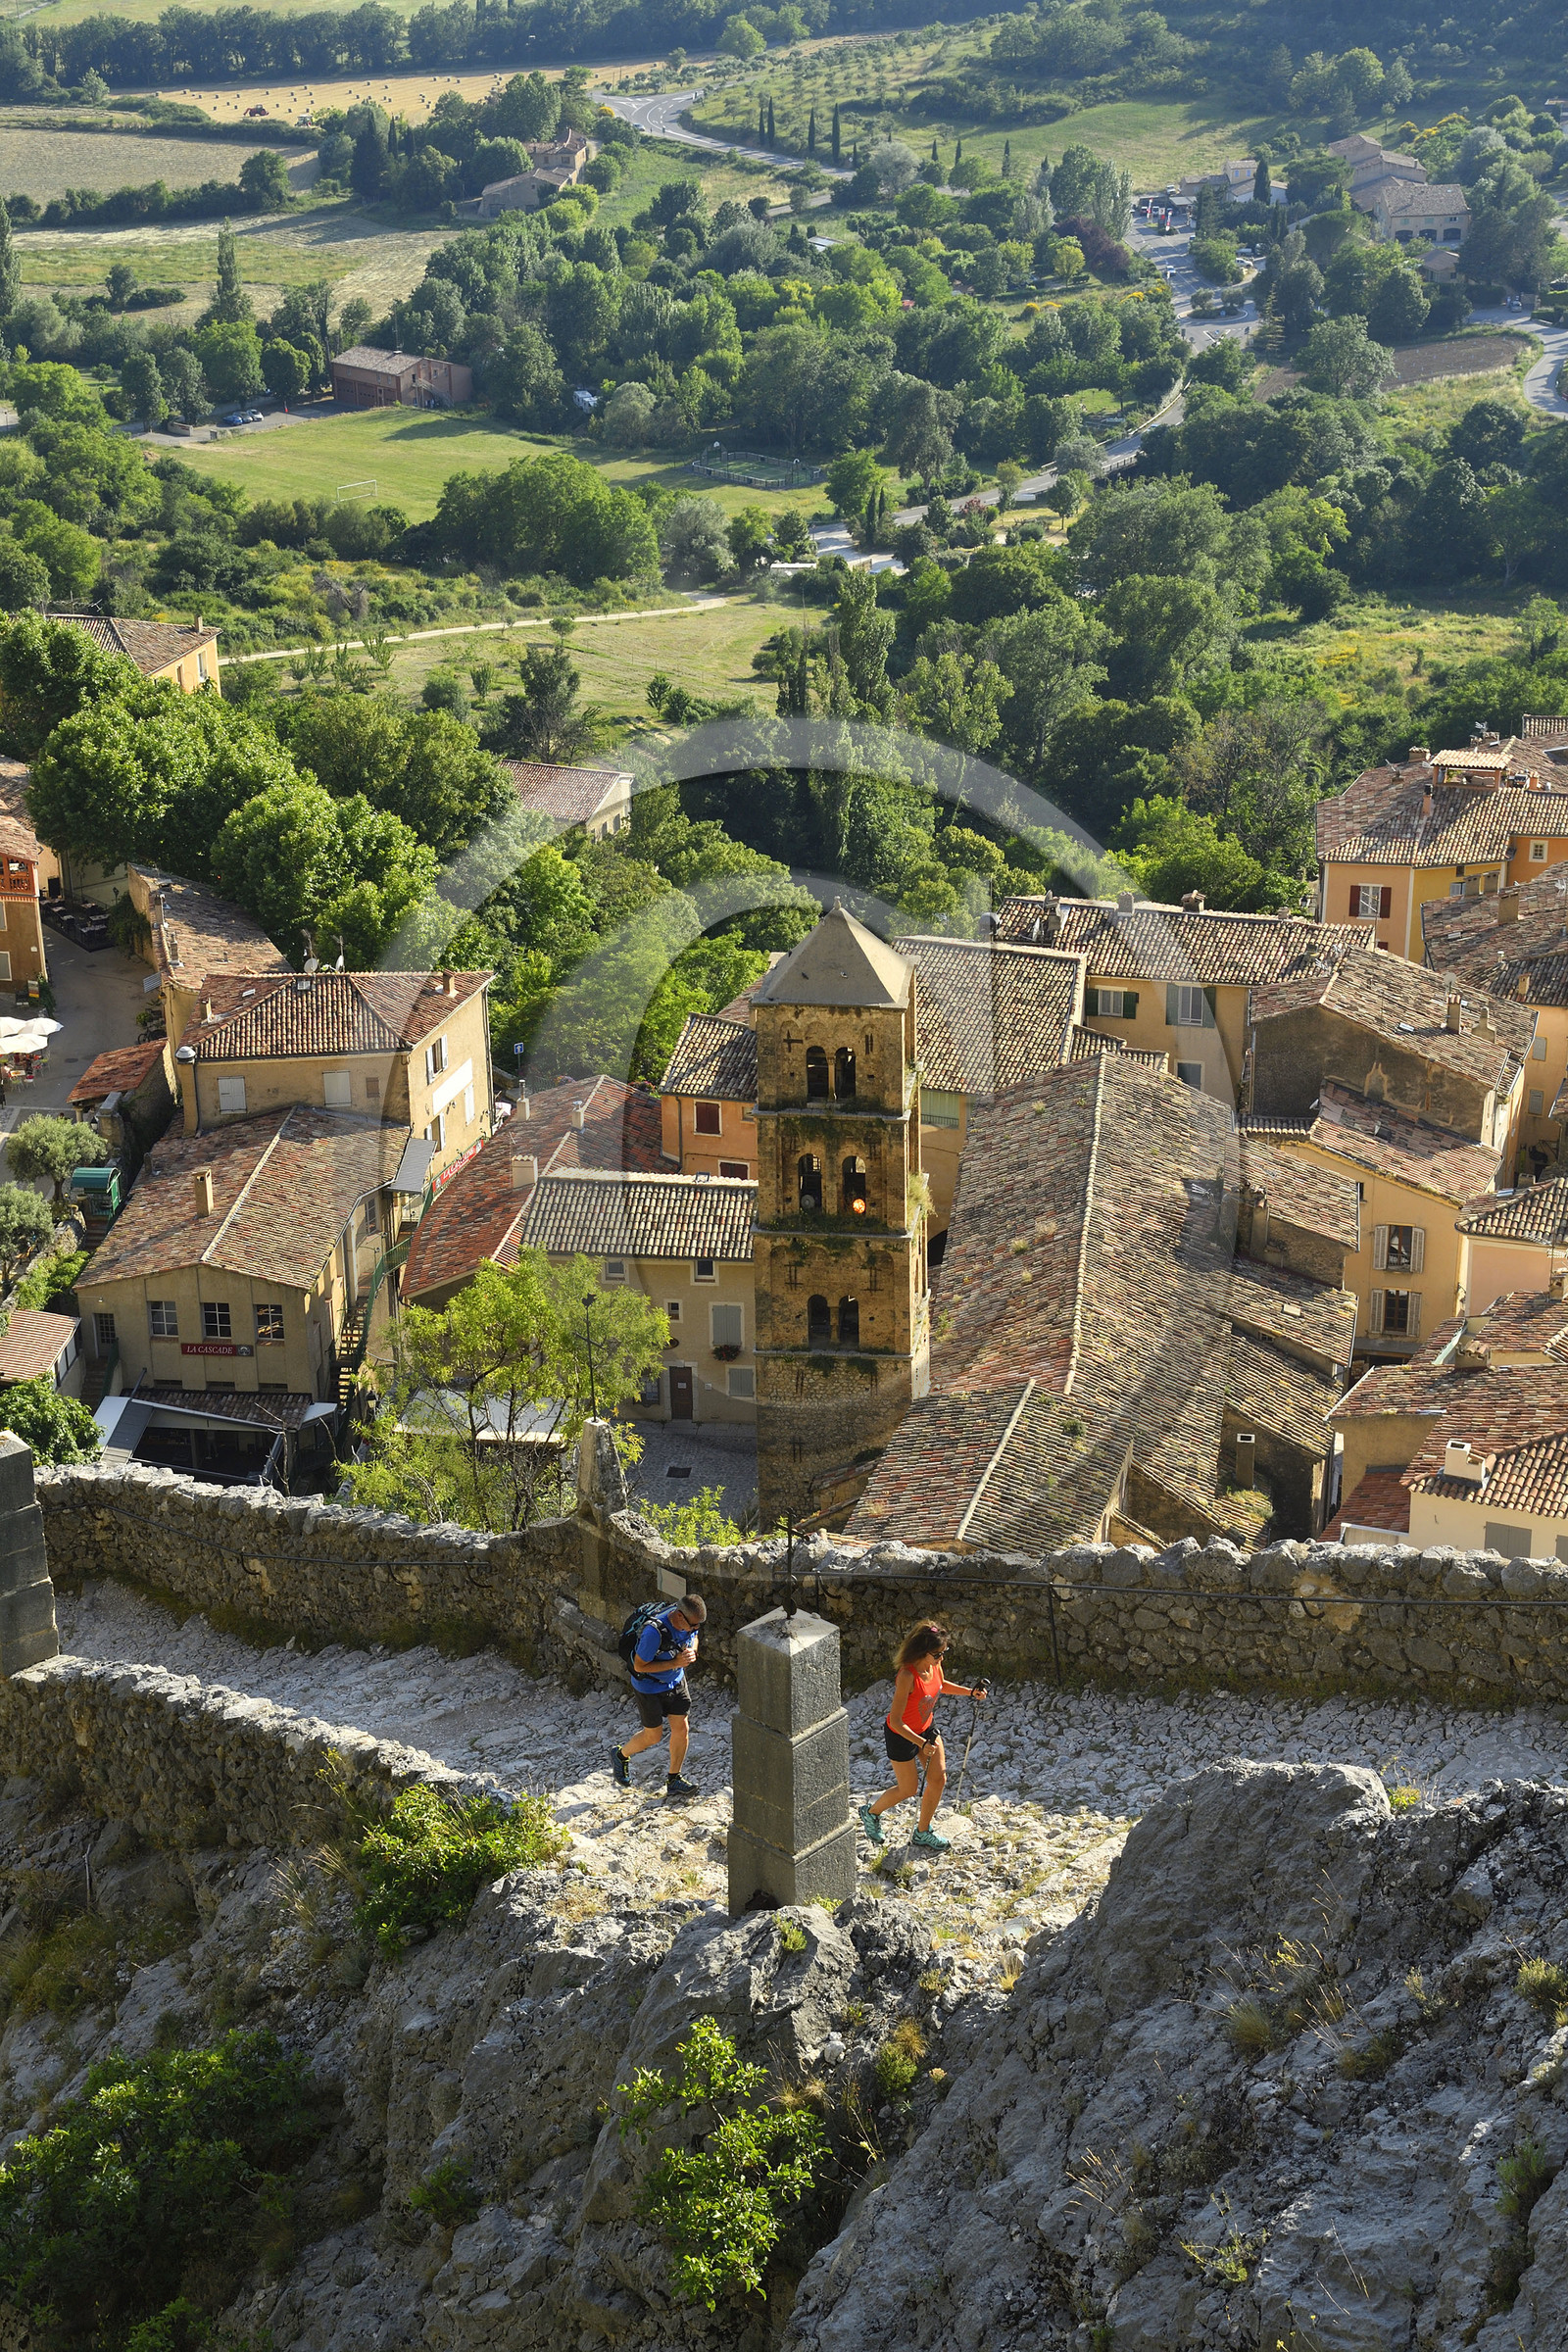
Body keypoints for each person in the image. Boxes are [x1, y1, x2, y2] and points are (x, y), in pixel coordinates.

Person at [859, 1620, 986, 1853]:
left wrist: (970, 1692)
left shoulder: (934, 1666)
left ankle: (922, 1832)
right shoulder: (907, 1676)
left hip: (927, 1729)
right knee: (908, 1789)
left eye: (945, 1652)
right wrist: (921, 1743)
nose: (942, 1658)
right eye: (938, 1654)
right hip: (901, 1734)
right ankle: (871, 1812)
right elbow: (896, 1721)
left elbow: (941, 1685)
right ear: (921, 1652)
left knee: (938, 1779)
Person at [611, 1592, 707, 1802]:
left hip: (676, 1682)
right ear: (680, 1616)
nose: (695, 1629)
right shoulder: (654, 1632)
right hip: (649, 1688)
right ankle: (620, 1755)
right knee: (653, 1736)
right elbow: (639, 1665)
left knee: (682, 1728)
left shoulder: (690, 1622)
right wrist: (675, 1663)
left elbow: (694, 1638)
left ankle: (674, 1780)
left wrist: (692, 1650)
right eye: (693, 1625)